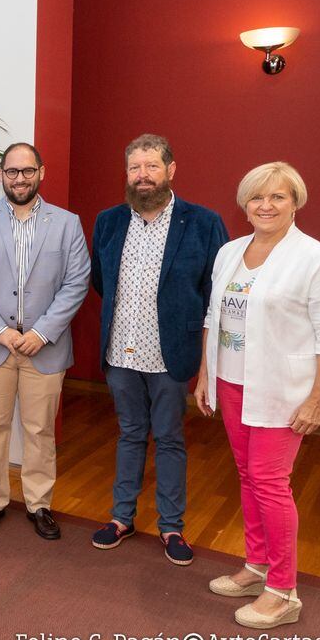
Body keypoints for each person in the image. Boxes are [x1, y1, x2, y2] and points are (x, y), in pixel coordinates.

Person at [194, 162, 320, 629]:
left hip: (283, 391)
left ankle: (283, 591)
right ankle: (257, 565)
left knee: (270, 482)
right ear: (244, 204)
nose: (265, 205)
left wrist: (316, 400)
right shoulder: (230, 252)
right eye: (257, 197)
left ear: (295, 202)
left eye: (277, 197)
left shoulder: (318, 260)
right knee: (247, 475)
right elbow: (212, 319)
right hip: (233, 384)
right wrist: (205, 376)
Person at [89, 134, 227, 565]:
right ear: (126, 173)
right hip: (120, 354)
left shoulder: (203, 223)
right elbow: (100, 280)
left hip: (170, 354)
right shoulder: (108, 221)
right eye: (134, 167)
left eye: (151, 166)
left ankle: (171, 526)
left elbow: (215, 291)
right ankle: (121, 518)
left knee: (168, 438)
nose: (142, 175)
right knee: (129, 434)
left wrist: (206, 363)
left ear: (170, 170)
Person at [0, 143, 89, 539]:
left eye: (27, 171)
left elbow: (76, 283)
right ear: (1, 175)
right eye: (12, 171)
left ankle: (39, 503)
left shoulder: (67, 224)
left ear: (41, 173)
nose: (19, 178)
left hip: (43, 350)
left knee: (39, 431)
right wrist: (1, 331)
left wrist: (41, 332)